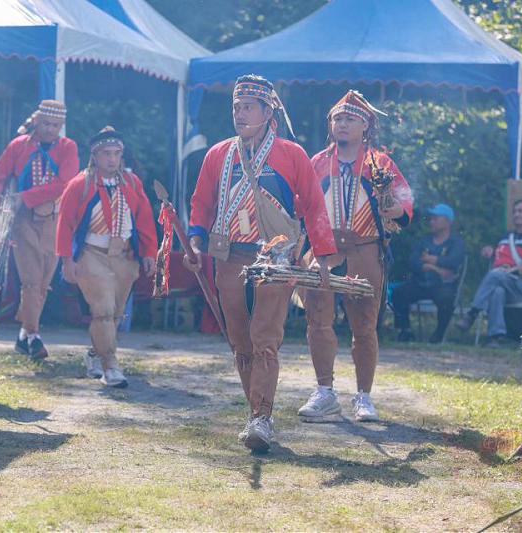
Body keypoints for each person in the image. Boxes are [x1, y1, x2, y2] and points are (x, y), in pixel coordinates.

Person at [184, 75, 337, 452]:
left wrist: (320, 254)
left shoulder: (291, 154)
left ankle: (261, 418)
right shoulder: (218, 154)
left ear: (269, 113)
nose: (239, 113)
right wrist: (195, 239)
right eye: (236, 107)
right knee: (239, 339)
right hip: (229, 253)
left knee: (264, 337)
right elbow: (201, 203)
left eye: (248, 107)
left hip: (278, 255)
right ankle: (256, 410)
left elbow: (314, 206)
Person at [299, 90, 413, 424]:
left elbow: (404, 204)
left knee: (364, 325)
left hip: (366, 249)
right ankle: (324, 392)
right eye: (337, 118)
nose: (342, 124)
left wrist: (394, 207)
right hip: (324, 250)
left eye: (350, 119)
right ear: (330, 124)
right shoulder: (317, 162)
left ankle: (364, 396)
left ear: (365, 126)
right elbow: (299, 206)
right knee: (317, 319)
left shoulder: (381, 164)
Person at [57, 126, 157, 388]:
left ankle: (94, 353)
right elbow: (65, 223)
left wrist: (148, 252)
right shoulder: (80, 183)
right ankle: (110, 367)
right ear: (94, 156)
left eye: (116, 153)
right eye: (106, 154)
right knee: (102, 311)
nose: (112, 159)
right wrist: (67, 259)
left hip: (124, 256)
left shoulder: (132, 183)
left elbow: (144, 219)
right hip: (92, 255)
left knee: (115, 315)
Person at [0, 100, 79, 360]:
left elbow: (66, 184)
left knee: (43, 284)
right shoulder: (19, 146)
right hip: (23, 221)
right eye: (46, 123)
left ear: (61, 126)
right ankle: (35, 336)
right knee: (31, 281)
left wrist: (24, 196)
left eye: (56, 125)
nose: (50, 129)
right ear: (37, 121)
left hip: (54, 221)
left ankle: (23, 336)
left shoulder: (68, 148)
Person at [457, 199, 522, 345]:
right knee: (497, 291)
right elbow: (499, 257)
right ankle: (495, 337)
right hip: (501, 281)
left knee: (496, 274)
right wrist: (490, 252)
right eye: (514, 211)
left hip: (520, 285)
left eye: (520, 211)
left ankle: (472, 313)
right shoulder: (506, 237)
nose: (516, 214)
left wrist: (513, 270)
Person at [392, 204, 465, 343]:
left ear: (447, 221)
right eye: (431, 219)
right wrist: (432, 267)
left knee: (446, 299)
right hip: (421, 282)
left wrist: (432, 260)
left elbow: (454, 261)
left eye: (436, 219)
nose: (432, 222)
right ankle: (405, 331)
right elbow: (413, 261)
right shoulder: (425, 241)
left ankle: (439, 335)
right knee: (399, 293)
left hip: (443, 285)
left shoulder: (456, 242)